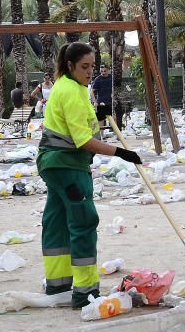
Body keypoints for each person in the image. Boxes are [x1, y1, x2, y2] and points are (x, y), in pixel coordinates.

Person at [37, 42, 142, 308]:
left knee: (57, 221)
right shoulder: (71, 91)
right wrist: (120, 153)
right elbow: (83, 140)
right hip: (68, 165)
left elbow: (79, 123)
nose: (89, 72)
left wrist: (99, 116)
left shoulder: (72, 88)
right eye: (84, 67)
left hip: (55, 165)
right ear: (70, 65)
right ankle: (85, 292)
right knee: (83, 221)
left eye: (92, 66)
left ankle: (58, 285)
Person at [91, 64, 113, 131]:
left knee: (113, 119)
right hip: (101, 103)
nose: (103, 73)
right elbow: (92, 92)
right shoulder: (98, 79)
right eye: (101, 71)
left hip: (110, 102)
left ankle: (115, 133)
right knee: (101, 119)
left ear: (108, 70)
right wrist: (95, 102)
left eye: (104, 71)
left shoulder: (111, 78)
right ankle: (101, 135)